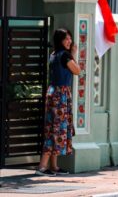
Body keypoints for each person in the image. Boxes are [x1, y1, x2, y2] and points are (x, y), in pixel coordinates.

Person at [36, 29, 81, 176]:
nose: (69, 41)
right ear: (60, 41)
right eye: (66, 39)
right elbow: (77, 70)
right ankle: (42, 167)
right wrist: (74, 53)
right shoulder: (65, 55)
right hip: (60, 95)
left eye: (70, 38)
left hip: (53, 93)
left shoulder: (54, 54)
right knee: (55, 130)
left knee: (53, 128)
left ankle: (54, 166)